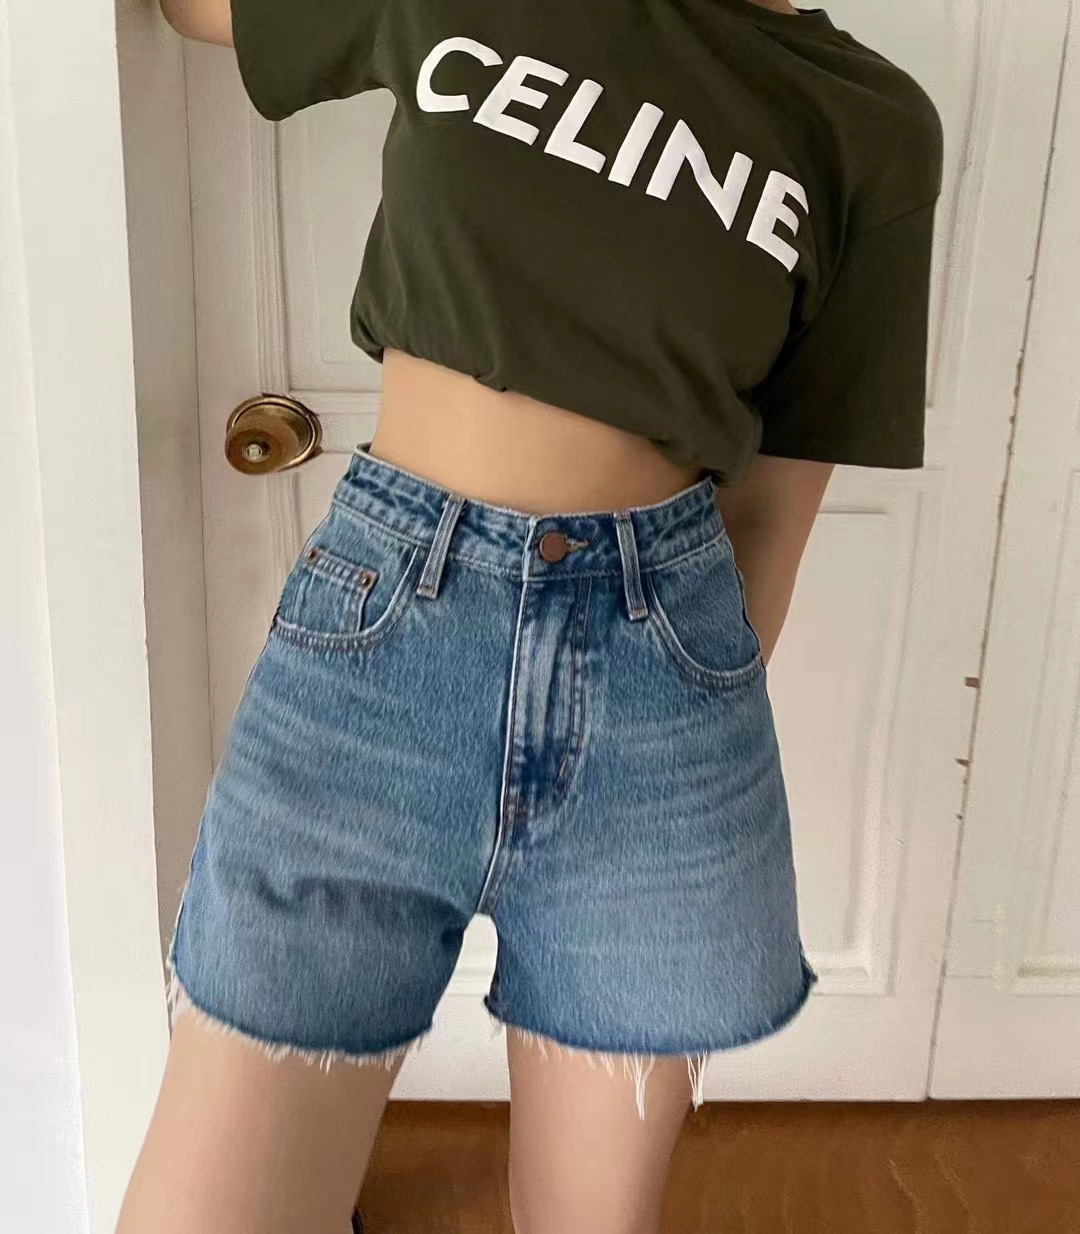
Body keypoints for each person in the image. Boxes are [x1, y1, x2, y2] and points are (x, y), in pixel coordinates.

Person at [118, 1, 943, 1231]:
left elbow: (775, 505)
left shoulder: (868, 123)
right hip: (381, 644)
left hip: (660, 680)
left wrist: (688, 682)